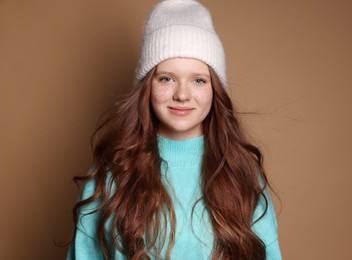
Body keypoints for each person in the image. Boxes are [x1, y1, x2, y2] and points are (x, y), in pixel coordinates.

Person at [67, 0, 282, 259]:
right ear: (148, 86)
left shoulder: (242, 175)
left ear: (215, 90)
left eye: (198, 80)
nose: (182, 94)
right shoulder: (110, 175)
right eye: (166, 78)